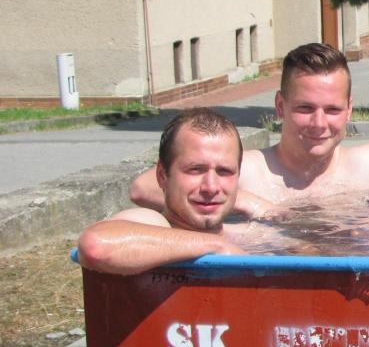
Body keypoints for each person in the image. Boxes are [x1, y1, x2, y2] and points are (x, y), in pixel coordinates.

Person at [130, 43, 369, 214]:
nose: (319, 124)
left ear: (349, 110)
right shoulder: (248, 171)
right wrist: (243, 200)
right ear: (281, 106)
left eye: (332, 110)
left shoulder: (368, 165)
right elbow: (142, 188)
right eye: (305, 108)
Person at [78, 109, 246, 275]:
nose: (211, 187)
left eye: (224, 171)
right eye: (195, 169)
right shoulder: (155, 223)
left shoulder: (248, 234)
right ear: (162, 176)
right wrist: (216, 245)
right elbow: (96, 245)